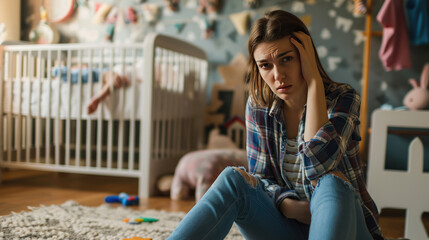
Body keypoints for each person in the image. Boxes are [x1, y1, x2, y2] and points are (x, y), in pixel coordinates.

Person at [167, 10, 384, 240]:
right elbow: (261, 179)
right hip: (287, 227)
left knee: (331, 182)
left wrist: (314, 84)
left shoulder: (344, 98)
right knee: (233, 179)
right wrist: (288, 206)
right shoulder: (258, 106)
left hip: (348, 230)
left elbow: (319, 166)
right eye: (265, 65)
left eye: (286, 58)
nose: (278, 75)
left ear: (306, 54)